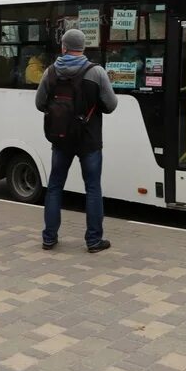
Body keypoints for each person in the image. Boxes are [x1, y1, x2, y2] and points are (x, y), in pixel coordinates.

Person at [35, 29, 118, 253]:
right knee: (92, 188)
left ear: (63, 47)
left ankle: (49, 238)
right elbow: (111, 105)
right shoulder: (96, 72)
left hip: (60, 139)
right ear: (83, 48)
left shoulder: (50, 72)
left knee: (54, 187)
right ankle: (93, 241)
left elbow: (39, 103)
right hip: (89, 140)